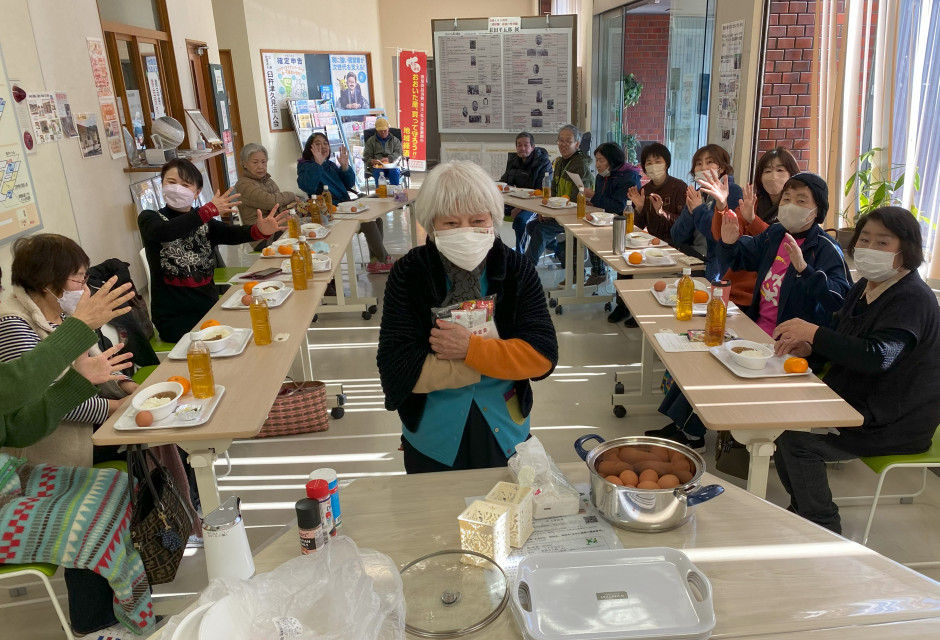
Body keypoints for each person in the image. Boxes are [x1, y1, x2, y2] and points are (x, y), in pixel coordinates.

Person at [0, 264, 155, 639]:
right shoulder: (13, 323)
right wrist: (79, 327)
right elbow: (18, 386)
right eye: (77, 278)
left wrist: (79, 382)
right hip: (9, 485)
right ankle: (95, 625)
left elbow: (17, 426)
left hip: (9, 476)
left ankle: (116, 612)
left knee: (116, 486)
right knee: (92, 522)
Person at [377, 162, 558, 473]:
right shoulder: (410, 273)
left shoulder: (516, 269)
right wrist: (499, 360)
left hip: (505, 426)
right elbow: (397, 369)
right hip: (433, 432)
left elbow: (542, 357)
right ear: (431, 225)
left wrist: (469, 350)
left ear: (492, 219)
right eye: (451, 222)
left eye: (477, 220)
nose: (465, 231)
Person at [651, 172, 851, 450]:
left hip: (792, 344)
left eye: (801, 200)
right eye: (787, 198)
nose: (791, 205)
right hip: (756, 329)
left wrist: (806, 270)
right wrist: (729, 242)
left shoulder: (826, 248)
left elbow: (839, 301)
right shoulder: (775, 233)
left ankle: (692, 434)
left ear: (818, 210)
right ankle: (682, 426)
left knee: (720, 366)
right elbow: (743, 257)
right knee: (705, 353)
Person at [772, 207, 940, 534]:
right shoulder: (866, 286)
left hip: (894, 421)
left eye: (882, 242)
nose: (869, 248)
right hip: (860, 402)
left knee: (797, 443)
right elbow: (846, 336)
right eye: (865, 239)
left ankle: (824, 525)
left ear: (906, 251)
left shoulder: (912, 299)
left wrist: (814, 333)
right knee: (784, 425)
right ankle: (804, 507)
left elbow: (877, 357)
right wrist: (811, 348)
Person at [0, 234, 140, 468]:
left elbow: (95, 367)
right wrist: (116, 407)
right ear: (46, 282)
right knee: (151, 444)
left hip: (88, 422)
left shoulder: (62, 313)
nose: (86, 289)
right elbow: (38, 399)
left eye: (85, 278)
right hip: (56, 446)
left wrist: (127, 385)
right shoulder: (12, 324)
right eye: (78, 279)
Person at [139, 159, 286, 343]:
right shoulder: (149, 218)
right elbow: (166, 231)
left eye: (185, 185)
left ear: (196, 193)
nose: (177, 188)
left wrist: (260, 231)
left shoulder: (205, 223)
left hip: (209, 307)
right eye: (171, 182)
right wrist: (206, 211)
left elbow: (232, 234)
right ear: (162, 185)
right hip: (173, 319)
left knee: (256, 326)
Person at [709, 147, 800, 308]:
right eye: (767, 171)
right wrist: (721, 205)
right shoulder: (753, 203)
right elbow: (723, 237)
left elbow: (782, 245)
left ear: (792, 175)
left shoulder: (796, 210)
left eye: (780, 170)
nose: (773, 176)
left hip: (767, 294)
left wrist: (753, 220)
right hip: (736, 288)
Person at [609, 143, 688, 324]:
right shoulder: (645, 190)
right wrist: (638, 208)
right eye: (649, 163)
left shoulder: (679, 187)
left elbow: (685, 225)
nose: (653, 166)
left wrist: (662, 212)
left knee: (643, 266)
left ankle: (642, 310)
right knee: (625, 257)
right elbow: (638, 226)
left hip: (674, 244)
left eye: (657, 161)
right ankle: (623, 305)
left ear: (667, 163)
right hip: (652, 242)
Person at [298, 132, 394, 274]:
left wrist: (344, 166)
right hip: (329, 212)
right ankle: (384, 259)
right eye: (317, 144)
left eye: (325, 143)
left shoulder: (330, 164)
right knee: (368, 223)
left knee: (376, 219)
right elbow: (308, 186)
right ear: (310, 148)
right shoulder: (305, 166)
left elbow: (348, 184)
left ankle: (375, 262)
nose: (323, 147)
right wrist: (317, 165)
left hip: (344, 207)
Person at [524, 124, 595, 279]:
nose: (563, 144)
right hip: (559, 212)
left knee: (541, 231)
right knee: (531, 226)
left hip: (574, 215)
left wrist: (554, 213)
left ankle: (526, 272)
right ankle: (561, 252)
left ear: (577, 144)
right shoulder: (560, 162)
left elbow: (580, 197)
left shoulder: (580, 165)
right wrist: (546, 212)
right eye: (560, 140)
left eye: (568, 141)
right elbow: (554, 191)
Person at [670, 144, 744, 281]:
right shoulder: (699, 193)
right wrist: (690, 212)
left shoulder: (732, 191)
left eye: (709, 162)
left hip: (714, 269)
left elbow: (721, 236)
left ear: (721, 168)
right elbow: (676, 236)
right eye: (698, 164)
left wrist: (698, 209)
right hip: (691, 260)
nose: (703, 167)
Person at [500, 131, 552, 252]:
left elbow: (541, 192)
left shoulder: (543, 162)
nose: (522, 148)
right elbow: (505, 182)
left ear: (533, 147)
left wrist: (521, 207)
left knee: (520, 220)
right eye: (519, 145)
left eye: (526, 145)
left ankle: (520, 255)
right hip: (516, 202)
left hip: (536, 205)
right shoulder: (513, 160)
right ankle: (496, 251)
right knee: (488, 211)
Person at [234, 142, 300, 228]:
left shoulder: (267, 180)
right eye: (255, 162)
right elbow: (271, 202)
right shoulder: (243, 184)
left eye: (263, 162)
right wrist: (292, 195)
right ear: (244, 164)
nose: (260, 166)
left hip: (276, 224)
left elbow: (280, 203)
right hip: (260, 231)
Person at [362, 117, 403, 186]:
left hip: (392, 165)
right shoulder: (371, 141)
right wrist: (371, 161)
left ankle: (395, 191)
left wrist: (389, 159)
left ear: (388, 129)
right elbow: (366, 156)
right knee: (379, 173)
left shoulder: (395, 140)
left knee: (394, 172)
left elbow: (399, 153)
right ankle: (381, 192)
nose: (383, 132)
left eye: (385, 130)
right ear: (376, 130)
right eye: (380, 131)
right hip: (377, 167)